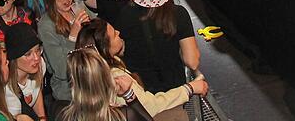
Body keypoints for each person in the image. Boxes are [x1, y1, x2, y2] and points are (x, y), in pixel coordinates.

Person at [76, 19, 207, 120]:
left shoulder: (88, 76)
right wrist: (189, 88)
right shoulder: (116, 77)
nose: (119, 32)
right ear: (105, 47)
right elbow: (151, 107)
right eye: (114, 34)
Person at [115, 0, 199, 93]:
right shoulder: (178, 14)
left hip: (140, 89)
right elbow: (192, 61)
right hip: (174, 88)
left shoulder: (125, 14)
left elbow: (121, 50)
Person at [37, 0, 88, 105]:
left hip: (90, 83)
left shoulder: (77, 8)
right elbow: (60, 69)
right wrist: (73, 36)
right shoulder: (46, 25)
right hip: (69, 95)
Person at [2, 23, 46, 121]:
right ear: (14, 58)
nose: (36, 58)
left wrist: (42, 118)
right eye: (28, 54)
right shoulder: (7, 88)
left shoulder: (40, 65)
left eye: (38, 50)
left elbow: (36, 90)